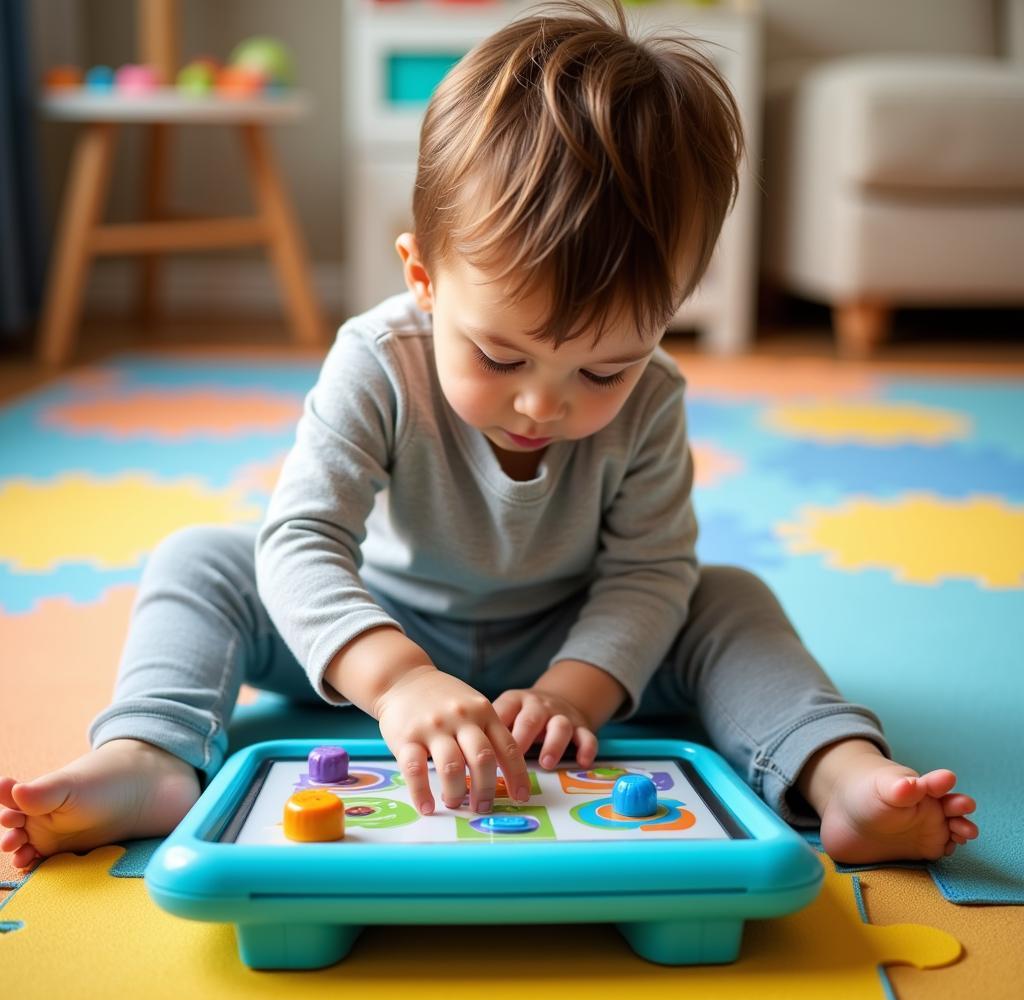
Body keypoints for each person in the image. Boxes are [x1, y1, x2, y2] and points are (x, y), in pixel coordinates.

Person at [1, 0, 977, 871]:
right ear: (423, 277)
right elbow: (302, 541)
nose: (542, 404)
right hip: (380, 625)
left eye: (602, 368)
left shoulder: (655, 396)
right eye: (501, 356)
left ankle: (838, 773)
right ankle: (148, 759)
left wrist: (578, 691)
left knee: (727, 596)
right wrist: (396, 681)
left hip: (575, 635)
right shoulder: (378, 359)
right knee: (201, 561)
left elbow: (646, 570)